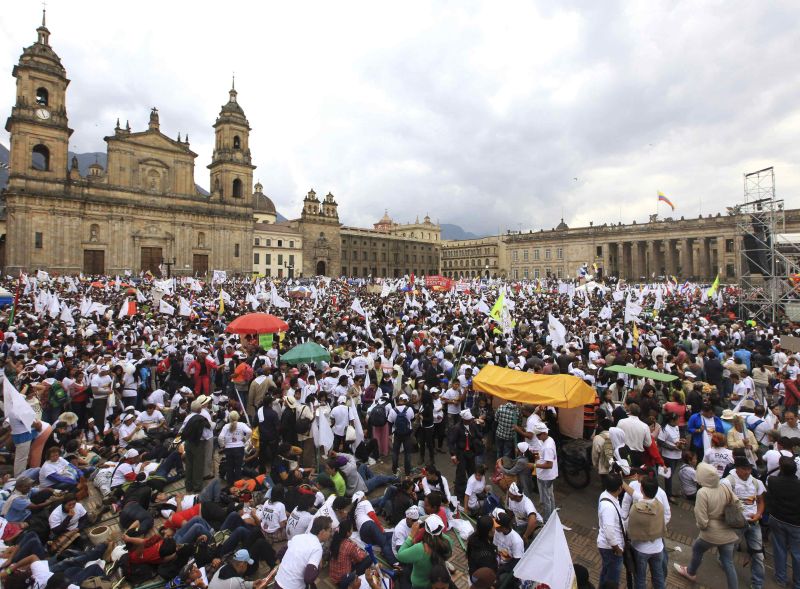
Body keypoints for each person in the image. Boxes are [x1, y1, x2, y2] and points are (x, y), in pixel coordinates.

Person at [673, 462, 740, 588]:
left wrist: (704, 527)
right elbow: (736, 503)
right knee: (728, 562)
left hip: (711, 532)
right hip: (728, 532)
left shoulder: (703, 492)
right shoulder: (725, 486)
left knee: (698, 549)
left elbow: (701, 518)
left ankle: (691, 572)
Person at [721, 455, 765, 589]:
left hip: (753, 524)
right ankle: (723, 559)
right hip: (735, 525)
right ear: (737, 468)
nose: (747, 472)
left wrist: (758, 514)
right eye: (744, 469)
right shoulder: (727, 482)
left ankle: (757, 584)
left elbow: (761, 501)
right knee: (730, 550)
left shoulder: (756, 483)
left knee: (758, 555)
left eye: (749, 469)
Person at [766, 456, 800, 588]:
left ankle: (781, 578)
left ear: (781, 469)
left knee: (779, 549)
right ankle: (798, 582)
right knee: (797, 553)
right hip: (796, 523)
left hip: (777, 518)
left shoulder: (773, 480)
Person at [627, 478, 666, 589]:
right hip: (658, 548)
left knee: (640, 579)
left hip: (640, 550)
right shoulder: (660, 506)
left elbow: (630, 529)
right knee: (659, 577)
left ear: (641, 489)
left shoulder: (635, 509)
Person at [396, 514, 452, 589]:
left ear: (425, 528)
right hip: (435, 584)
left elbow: (400, 555)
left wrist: (411, 535)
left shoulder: (420, 549)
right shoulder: (448, 541)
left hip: (420, 586)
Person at [275, 516, 332, 589]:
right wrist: (318, 568)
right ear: (322, 532)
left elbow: (280, 553)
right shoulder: (317, 548)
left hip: (278, 581)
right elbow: (308, 578)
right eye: (330, 531)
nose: (330, 534)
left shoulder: (298, 537)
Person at [596, 474, 626, 587]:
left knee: (606, 572)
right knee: (612, 580)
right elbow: (609, 533)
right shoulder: (608, 507)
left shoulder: (606, 494)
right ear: (619, 488)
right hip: (611, 549)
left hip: (609, 547)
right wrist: (617, 549)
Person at [449, 408, 483, 500]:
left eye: (470, 420)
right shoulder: (456, 428)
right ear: (463, 420)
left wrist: (480, 431)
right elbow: (451, 442)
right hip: (461, 453)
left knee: (472, 472)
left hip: (471, 453)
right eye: (468, 420)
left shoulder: (472, 425)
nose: (470, 421)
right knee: (460, 474)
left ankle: (474, 491)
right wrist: (453, 454)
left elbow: (478, 434)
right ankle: (459, 495)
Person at [329, 519, 372, 585]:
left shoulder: (335, 538)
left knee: (350, 557)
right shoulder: (349, 545)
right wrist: (364, 553)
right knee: (369, 558)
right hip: (343, 578)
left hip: (333, 576)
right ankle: (357, 577)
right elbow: (359, 558)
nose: (352, 531)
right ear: (347, 533)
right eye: (351, 529)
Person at [218, 411, 252, 485]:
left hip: (229, 449)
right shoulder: (242, 424)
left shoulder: (226, 426)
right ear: (238, 417)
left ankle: (230, 484)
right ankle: (238, 484)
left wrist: (222, 445)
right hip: (239, 448)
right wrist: (245, 439)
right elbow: (249, 431)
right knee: (238, 467)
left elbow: (220, 437)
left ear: (229, 418)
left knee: (229, 467)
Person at [532, 422, 557, 522]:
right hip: (547, 476)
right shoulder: (549, 440)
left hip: (546, 477)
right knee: (550, 496)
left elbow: (549, 465)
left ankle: (547, 520)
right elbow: (547, 458)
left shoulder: (547, 446)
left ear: (544, 433)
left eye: (538, 435)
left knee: (547, 499)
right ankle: (552, 515)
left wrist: (534, 465)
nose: (537, 437)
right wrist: (540, 457)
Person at [492, 511, 524, 589]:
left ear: (504, 528)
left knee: (499, 582)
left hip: (510, 566)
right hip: (499, 561)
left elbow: (516, 562)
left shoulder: (516, 541)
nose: (495, 527)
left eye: (497, 526)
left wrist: (501, 569)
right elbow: (494, 546)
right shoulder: (497, 531)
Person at [656, 412, 683, 501]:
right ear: (672, 420)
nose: (679, 421)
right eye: (677, 420)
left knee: (672, 473)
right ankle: (668, 494)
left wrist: (681, 441)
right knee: (668, 475)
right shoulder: (665, 429)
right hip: (668, 456)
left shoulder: (676, 427)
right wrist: (673, 447)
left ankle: (670, 492)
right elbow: (660, 442)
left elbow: (676, 438)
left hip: (677, 455)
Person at [388, 394, 415, 477]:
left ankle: (394, 470)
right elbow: (412, 419)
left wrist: (390, 433)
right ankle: (407, 472)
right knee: (407, 453)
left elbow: (389, 422)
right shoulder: (409, 409)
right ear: (406, 401)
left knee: (395, 452)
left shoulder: (393, 410)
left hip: (397, 433)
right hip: (407, 434)